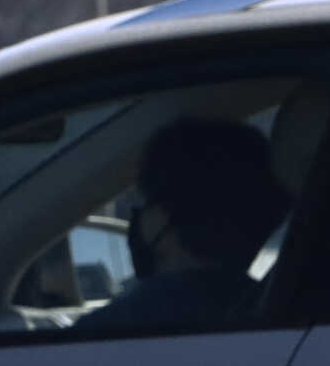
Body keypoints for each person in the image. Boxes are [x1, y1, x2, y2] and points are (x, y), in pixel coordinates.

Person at [77, 116, 292, 336]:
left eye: (145, 201)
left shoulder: (106, 330)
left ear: (162, 216)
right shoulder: (278, 311)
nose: (139, 216)